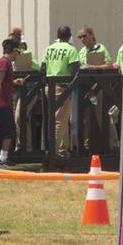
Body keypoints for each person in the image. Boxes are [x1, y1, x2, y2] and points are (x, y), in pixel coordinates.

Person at [42, 26, 79, 158]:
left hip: (49, 87)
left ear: (58, 36)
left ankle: (63, 150)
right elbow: (74, 70)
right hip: (63, 88)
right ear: (69, 36)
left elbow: (42, 68)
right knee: (59, 121)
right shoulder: (71, 49)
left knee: (62, 119)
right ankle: (54, 153)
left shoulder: (49, 48)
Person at [0, 38, 25, 168]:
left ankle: (2, 158)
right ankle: (2, 159)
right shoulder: (4, 63)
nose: (18, 55)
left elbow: (3, 82)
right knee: (8, 132)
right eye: (18, 52)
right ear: (13, 50)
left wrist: (15, 82)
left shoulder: (5, 62)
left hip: (3, 102)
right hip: (2, 103)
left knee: (7, 132)